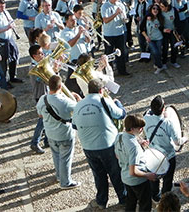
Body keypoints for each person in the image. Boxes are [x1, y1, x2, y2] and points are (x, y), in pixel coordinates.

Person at [73, 78, 127, 209]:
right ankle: (124, 199)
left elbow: (74, 125)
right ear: (101, 90)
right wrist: (118, 103)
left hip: (88, 147)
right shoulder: (105, 101)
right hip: (107, 145)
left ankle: (101, 201)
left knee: (98, 175)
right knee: (116, 174)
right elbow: (121, 115)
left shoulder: (78, 105)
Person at [37, 75, 81, 189]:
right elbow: (79, 110)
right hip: (64, 133)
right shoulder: (65, 101)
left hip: (50, 133)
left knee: (56, 155)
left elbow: (40, 115)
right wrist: (77, 97)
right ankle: (65, 182)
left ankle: (59, 176)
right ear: (60, 86)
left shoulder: (43, 99)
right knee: (65, 158)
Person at [143, 96, 185, 201]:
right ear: (163, 109)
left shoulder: (145, 118)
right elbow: (177, 142)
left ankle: (155, 197)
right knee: (167, 179)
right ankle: (165, 198)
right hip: (168, 156)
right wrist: (185, 138)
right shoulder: (168, 123)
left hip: (152, 154)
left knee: (154, 178)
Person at [115, 114, 156, 212]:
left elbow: (117, 155)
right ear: (133, 128)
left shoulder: (119, 136)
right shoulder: (134, 147)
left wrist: (140, 144)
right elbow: (133, 172)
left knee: (131, 201)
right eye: (140, 128)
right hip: (138, 181)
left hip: (125, 177)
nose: (142, 130)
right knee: (145, 204)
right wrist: (148, 175)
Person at [101, 0, 130, 76]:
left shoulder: (120, 5)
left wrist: (124, 18)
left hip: (119, 32)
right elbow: (105, 20)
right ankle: (109, 72)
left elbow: (124, 18)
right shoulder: (105, 6)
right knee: (109, 54)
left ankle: (122, 70)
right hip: (109, 33)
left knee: (121, 52)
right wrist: (116, 14)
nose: (115, 0)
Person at [28, 45, 49, 154]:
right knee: (42, 120)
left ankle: (47, 140)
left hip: (45, 94)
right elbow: (43, 80)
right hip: (40, 95)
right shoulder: (33, 67)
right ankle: (35, 142)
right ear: (34, 56)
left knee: (47, 119)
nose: (43, 55)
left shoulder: (40, 65)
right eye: (40, 53)